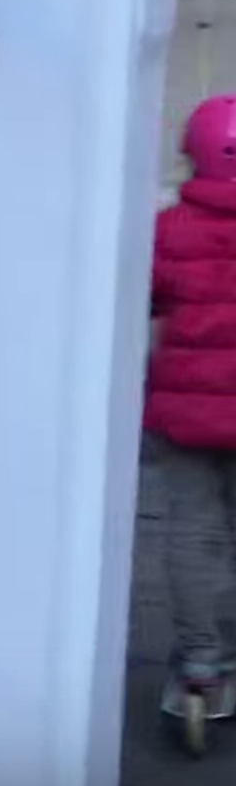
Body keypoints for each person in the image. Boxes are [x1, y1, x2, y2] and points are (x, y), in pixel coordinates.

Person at [147, 93, 236, 729]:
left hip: (186, 414)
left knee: (193, 531)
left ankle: (201, 664)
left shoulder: (167, 230)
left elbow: (144, 299)